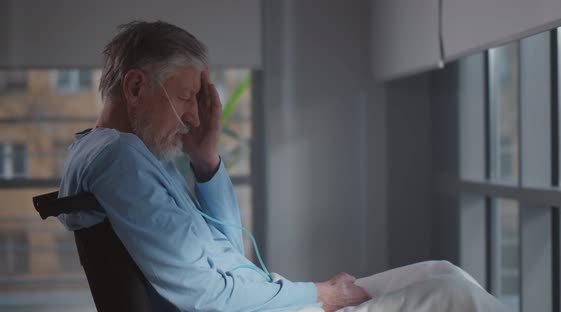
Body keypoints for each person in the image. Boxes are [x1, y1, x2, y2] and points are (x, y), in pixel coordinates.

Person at [58, 21, 504, 312]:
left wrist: (205, 161)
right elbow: (203, 295)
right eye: (185, 95)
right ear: (136, 86)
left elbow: (230, 256)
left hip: (264, 299)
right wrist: (320, 294)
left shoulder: (122, 153)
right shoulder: (120, 159)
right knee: (455, 295)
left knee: (442, 272)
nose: (194, 116)